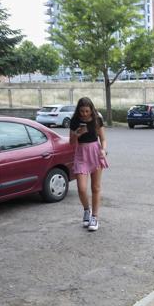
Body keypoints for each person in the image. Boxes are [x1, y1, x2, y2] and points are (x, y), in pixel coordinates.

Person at [69, 97, 108, 231]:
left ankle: (95, 217)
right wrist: (77, 134)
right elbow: (71, 143)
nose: (84, 114)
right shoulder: (74, 121)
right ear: (78, 111)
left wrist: (103, 150)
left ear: (91, 110)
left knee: (95, 188)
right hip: (81, 155)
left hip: (95, 154)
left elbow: (103, 139)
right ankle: (87, 210)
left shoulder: (97, 120)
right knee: (81, 188)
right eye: (82, 111)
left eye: (87, 111)